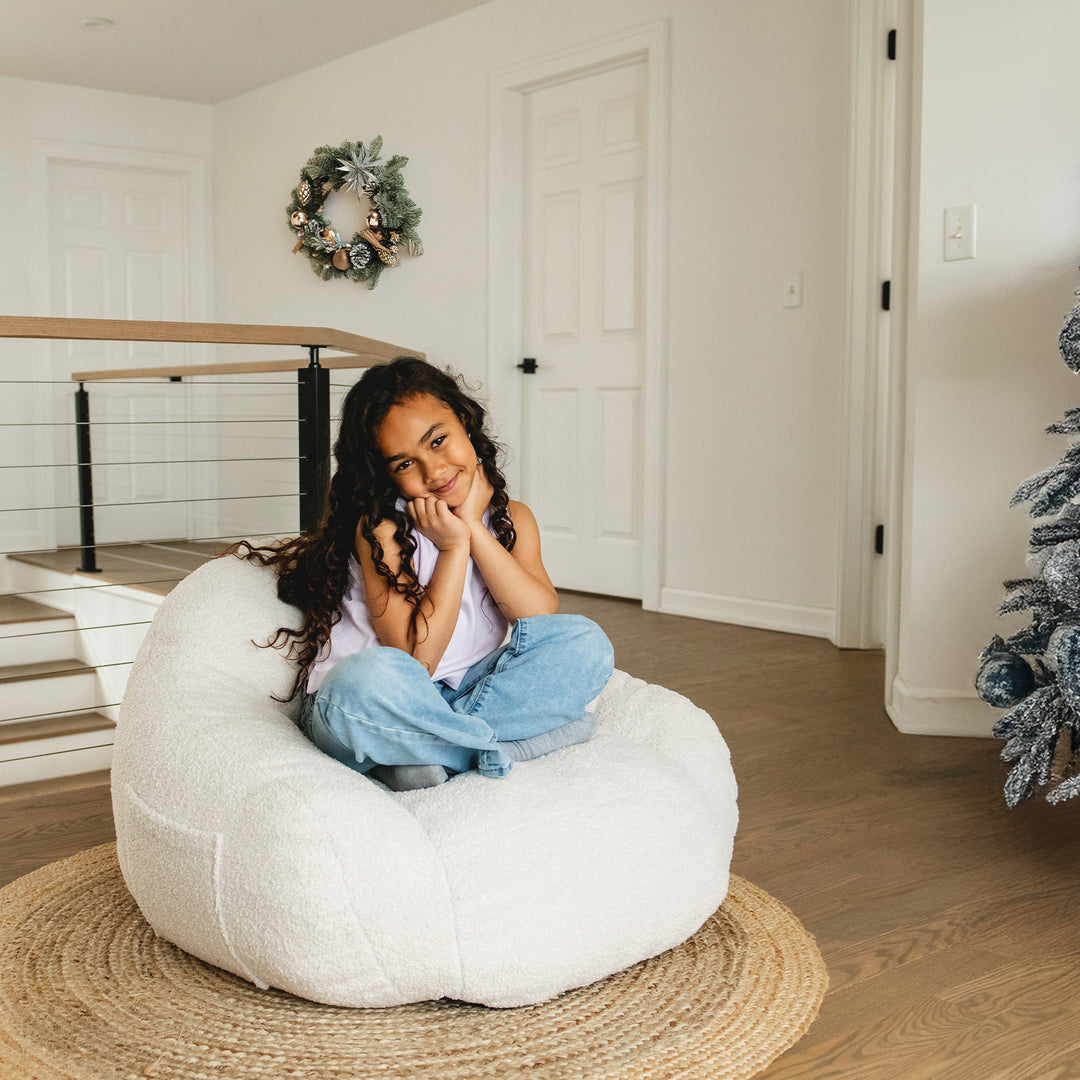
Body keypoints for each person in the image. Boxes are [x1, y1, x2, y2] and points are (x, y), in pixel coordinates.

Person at [235, 356, 614, 790]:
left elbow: (539, 617)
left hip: (466, 690)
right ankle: (504, 746)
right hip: (381, 699)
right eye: (403, 464)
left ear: (465, 420)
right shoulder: (381, 529)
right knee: (361, 684)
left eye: (437, 441)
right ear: (386, 475)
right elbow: (417, 660)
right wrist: (452, 548)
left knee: (585, 644)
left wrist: (473, 528)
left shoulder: (512, 519)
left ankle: (421, 753)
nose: (433, 472)